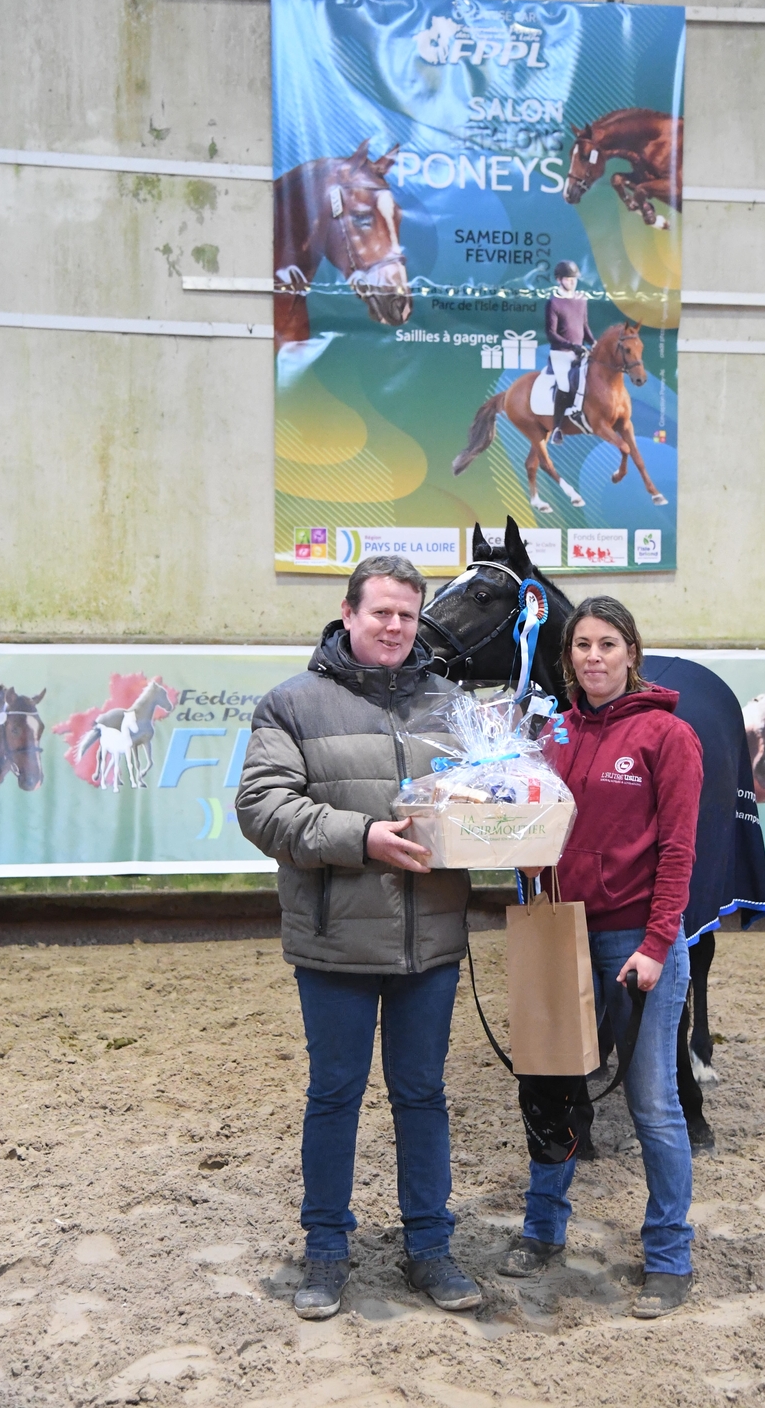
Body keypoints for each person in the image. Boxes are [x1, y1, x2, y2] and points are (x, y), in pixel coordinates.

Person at [236, 555, 481, 1321]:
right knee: (334, 1096)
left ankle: (430, 1249)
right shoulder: (292, 705)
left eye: (408, 614)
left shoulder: (455, 706)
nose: (395, 626)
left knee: (423, 1096)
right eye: (381, 612)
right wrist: (362, 835)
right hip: (334, 942)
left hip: (431, 941)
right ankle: (326, 1253)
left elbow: (490, 796)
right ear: (348, 614)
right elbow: (262, 808)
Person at [497, 595, 703, 1319]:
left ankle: (670, 1257)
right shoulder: (553, 733)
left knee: (652, 1104)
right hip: (561, 930)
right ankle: (542, 1231)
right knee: (552, 1095)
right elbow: (532, 822)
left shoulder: (666, 735)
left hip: (634, 943)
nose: (593, 657)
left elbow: (679, 851)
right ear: (568, 656)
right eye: (582, 644)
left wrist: (655, 945)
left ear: (631, 653)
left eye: (607, 644)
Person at [544, 260, 595, 446]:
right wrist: (571, 345)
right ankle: (557, 427)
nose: (572, 282)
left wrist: (593, 342)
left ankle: (581, 414)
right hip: (561, 353)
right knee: (565, 386)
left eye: (574, 279)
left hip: (579, 352)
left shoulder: (582, 299)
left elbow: (584, 326)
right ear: (559, 280)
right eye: (568, 279)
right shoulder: (554, 302)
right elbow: (551, 333)